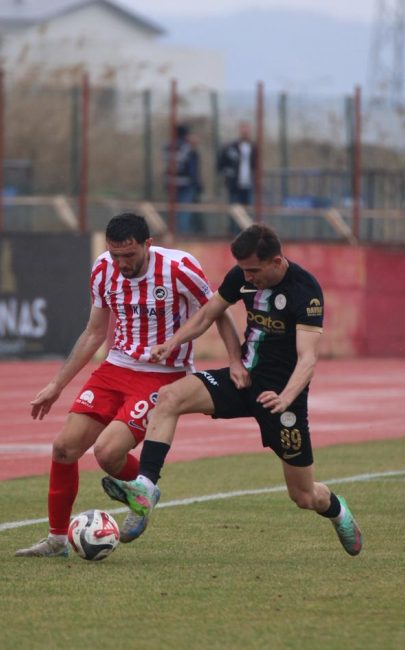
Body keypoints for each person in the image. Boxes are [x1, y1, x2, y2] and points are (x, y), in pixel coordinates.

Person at [102, 224, 363, 556]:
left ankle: (338, 511)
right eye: (243, 270)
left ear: (276, 261)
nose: (247, 277)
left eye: (254, 271)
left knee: (304, 495)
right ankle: (146, 487)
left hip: (280, 400)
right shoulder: (242, 274)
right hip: (242, 381)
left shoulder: (305, 290)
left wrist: (286, 397)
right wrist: (173, 343)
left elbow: (308, 358)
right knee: (169, 397)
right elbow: (207, 315)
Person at [15, 212, 243, 558]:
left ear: (148, 244)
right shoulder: (102, 269)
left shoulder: (179, 267)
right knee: (64, 448)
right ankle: (57, 541)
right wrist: (56, 385)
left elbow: (218, 312)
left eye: (129, 255)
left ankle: (145, 489)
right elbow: (94, 332)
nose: (122, 263)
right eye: (115, 254)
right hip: (115, 367)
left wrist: (235, 361)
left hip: (163, 373)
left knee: (108, 454)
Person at [167, 124, 204, 235]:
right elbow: (192, 167)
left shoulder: (168, 146)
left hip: (171, 182)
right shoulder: (187, 148)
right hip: (186, 183)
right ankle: (181, 233)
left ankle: (174, 231)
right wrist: (197, 183)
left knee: (174, 210)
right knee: (184, 210)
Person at [217, 121, 258, 206]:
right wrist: (228, 174)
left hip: (248, 184)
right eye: (243, 130)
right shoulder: (231, 147)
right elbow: (221, 164)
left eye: (247, 130)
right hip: (234, 185)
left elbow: (256, 165)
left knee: (247, 209)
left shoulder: (253, 147)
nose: (245, 132)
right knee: (235, 208)